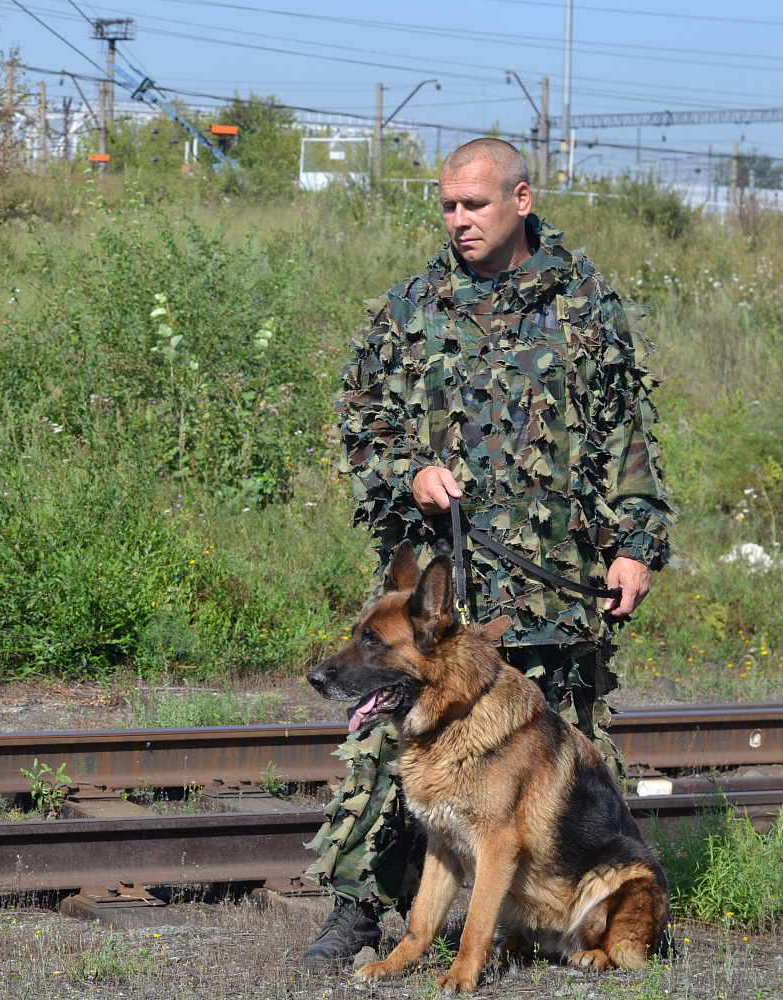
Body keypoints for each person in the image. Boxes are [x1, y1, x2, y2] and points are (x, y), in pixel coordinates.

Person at [300, 138, 674, 971]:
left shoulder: (585, 305)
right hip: (439, 587)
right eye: (448, 206)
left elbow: (628, 439)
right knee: (386, 756)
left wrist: (635, 546)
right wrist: (412, 469)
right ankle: (357, 910)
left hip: (554, 586)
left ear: (521, 200)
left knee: (561, 772)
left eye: (474, 204)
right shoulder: (414, 305)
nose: (458, 220)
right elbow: (361, 419)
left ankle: (570, 920)